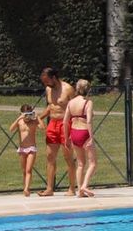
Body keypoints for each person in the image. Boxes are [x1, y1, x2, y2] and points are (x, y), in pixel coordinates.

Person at [38, 66, 77, 197]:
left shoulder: (68, 89)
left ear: (54, 78)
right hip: (52, 124)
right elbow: (51, 106)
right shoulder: (48, 89)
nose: (45, 84)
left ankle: (72, 188)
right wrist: (39, 117)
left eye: (47, 81)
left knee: (68, 157)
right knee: (49, 156)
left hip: (66, 124)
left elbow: (76, 106)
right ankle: (49, 188)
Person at [65, 79, 98, 198]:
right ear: (88, 89)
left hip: (74, 132)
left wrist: (66, 137)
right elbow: (88, 120)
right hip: (84, 132)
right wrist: (91, 137)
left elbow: (65, 121)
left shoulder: (71, 102)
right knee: (93, 163)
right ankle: (84, 185)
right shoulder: (88, 102)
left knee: (80, 163)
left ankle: (80, 190)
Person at [11, 104, 40, 197]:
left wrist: (38, 118)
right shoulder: (20, 122)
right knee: (24, 171)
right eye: (25, 115)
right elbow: (11, 129)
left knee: (28, 170)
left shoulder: (33, 122)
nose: (27, 117)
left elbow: (43, 128)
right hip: (22, 149)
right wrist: (19, 118)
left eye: (29, 114)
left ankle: (26, 188)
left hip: (31, 148)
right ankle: (26, 187)